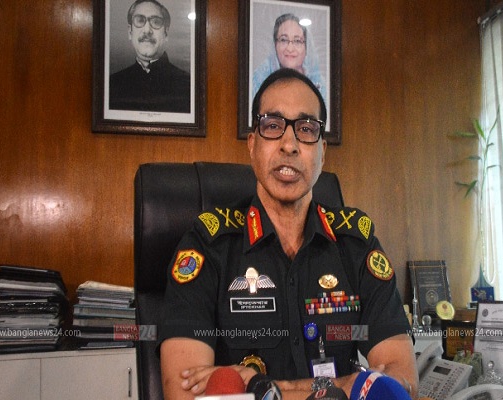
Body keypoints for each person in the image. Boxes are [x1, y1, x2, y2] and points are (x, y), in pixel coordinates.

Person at [158, 68, 418, 399]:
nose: (289, 145)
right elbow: (182, 393)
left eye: (306, 129)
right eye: (272, 126)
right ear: (252, 144)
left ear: (322, 151)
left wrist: (259, 388)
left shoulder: (356, 245)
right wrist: (350, 384)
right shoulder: (208, 247)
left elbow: (403, 382)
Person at [109, 0, 190, 113]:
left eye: (156, 22)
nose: (147, 30)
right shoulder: (112, 84)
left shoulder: (188, 85)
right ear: (130, 32)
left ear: (166, 33)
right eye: (140, 20)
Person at [252, 13, 326, 102]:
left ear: (306, 47)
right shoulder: (258, 80)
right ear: (275, 45)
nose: (290, 49)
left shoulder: (319, 83)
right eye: (283, 40)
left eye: (297, 41)